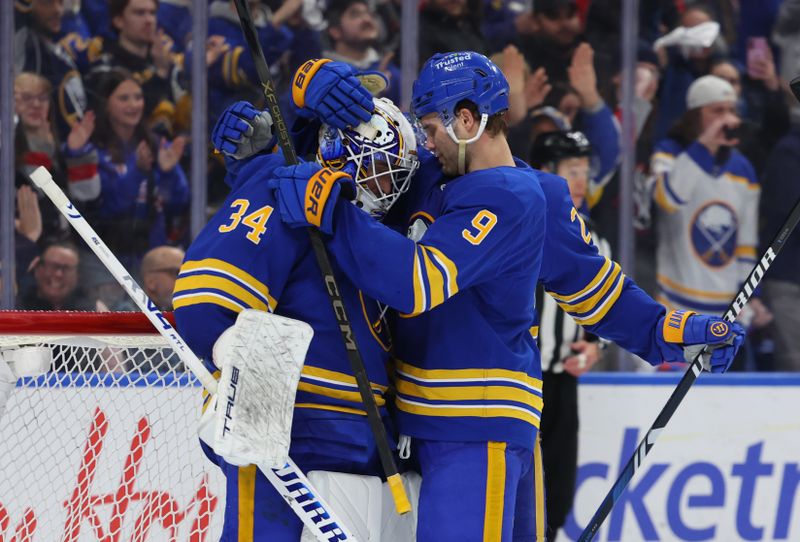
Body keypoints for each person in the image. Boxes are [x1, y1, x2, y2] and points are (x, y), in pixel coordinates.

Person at [217, 53, 747, 540]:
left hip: (478, 423)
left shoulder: (524, 195)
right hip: (422, 431)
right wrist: (302, 98)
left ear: (466, 120)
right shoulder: (430, 175)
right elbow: (350, 170)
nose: (424, 143)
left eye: (430, 128)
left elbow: (590, 291)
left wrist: (671, 332)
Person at [174, 92, 419, 540]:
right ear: (349, 161)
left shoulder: (373, 228)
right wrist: (235, 359)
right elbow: (206, 297)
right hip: (281, 426)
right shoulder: (283, 187)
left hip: (360, 443)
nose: (392, 190)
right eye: (383, 175)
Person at [529, 130, 610, 541]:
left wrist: (595, 346)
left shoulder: (594, 238)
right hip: (520, 381)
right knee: (520, 487)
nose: (581, 181)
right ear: (545, 172)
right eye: (571, 171)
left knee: (557, 491)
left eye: (584, 171)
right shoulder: (520, 223)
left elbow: (607, 309)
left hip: (561, 382)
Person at [647, 74, 771, 327]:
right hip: (675, 304)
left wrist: (749, 296)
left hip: (726, 310)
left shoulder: (742, 168)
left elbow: (745, 243)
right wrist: (704, 146)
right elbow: (668, 199)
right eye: (717, 111)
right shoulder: (669, 153)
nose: (727, 119)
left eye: (731, 111)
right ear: (695, 115)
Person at [85, 69, 189, 271]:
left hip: (151, 255)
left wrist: (169, 173)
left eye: (138, 97)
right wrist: (138, 172)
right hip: (106, 258)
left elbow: (178, 202)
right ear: (106, 104)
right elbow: (109, 207)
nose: (133, 105)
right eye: (124, 98)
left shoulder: (155, 144)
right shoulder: (94, 149)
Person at [15, 72, 100, 242]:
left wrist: (77, 154)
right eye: (26, 98)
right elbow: (36, 193)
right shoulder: (6, 150)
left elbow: (88, 201)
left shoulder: (60, 149)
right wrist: (41, 148)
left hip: (62, 245)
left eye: (43, 98)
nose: (36, 105)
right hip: (21, 244)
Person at [17, 239, 96, 311]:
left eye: (66, 268)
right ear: (37, 269)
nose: (58, 274)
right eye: (52, 266)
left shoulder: (90, 310)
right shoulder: (17, 308)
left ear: (77, 275)